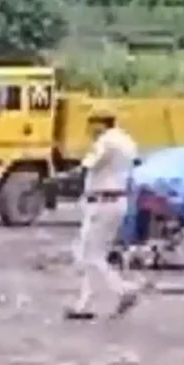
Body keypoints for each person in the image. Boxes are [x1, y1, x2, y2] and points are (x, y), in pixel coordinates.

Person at [68, 110, 140, 320]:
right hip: (116, 201)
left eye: (92, 126)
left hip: (103, 203)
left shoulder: (107, 142)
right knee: (91, 255)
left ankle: (124, 290)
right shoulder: (126, 140)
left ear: (101, 124)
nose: (89, 131)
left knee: (91, 256)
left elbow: (87, 166)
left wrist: (58, 179)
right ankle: (83, 305)